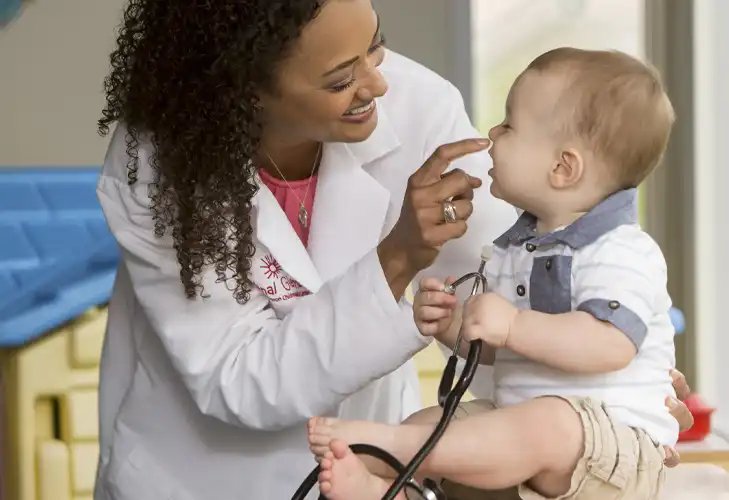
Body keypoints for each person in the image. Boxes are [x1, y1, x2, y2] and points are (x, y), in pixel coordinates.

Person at [92, 1, 687, 498]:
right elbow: (242, 379)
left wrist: (618, 390)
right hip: (201, 476)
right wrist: (399, 254)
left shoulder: (418, 106)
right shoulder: (161, 163)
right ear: (246, 90)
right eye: (340, 78)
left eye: (375, 46)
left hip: (368, 462)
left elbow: (515, 274)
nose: (378, 83)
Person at [308, 47, 683, 500]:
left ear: (563, 168)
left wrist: (513, 325)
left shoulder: (620, 250)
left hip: (610, 446)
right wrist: (454, 326)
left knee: (548, 424)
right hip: (519, 428)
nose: (492, 132)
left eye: (509, 125)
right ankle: (386, 483)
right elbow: (497, 352)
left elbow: (611, 343)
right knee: (437, 420)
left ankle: (394, 448)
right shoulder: (514, 249)